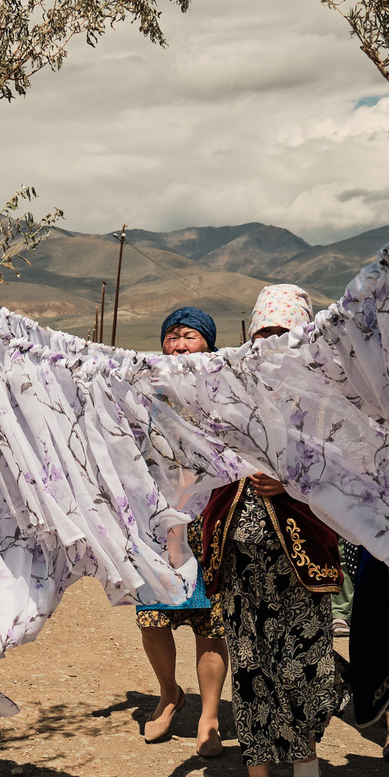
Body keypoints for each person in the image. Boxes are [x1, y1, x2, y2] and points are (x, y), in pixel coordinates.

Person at [202, 284, 344, 777]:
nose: (270, 342)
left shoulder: (326, 399)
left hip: (300, 561)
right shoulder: (228, 394)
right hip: (238, 559)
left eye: (281, 333)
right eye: (263, 332)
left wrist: (289, 483)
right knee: (254, 672)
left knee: (304, 669)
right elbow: (205, 460)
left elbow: (344, 473)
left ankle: (308, 776)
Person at [135, 306, 229, 752]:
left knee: (209, 622)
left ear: (208, 344)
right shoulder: (147, 392)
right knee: (152, 617)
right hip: (154, 521)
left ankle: (210, 715)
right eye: (171, 336)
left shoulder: (224, 392)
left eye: (189, 335)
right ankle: (169, 693)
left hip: (209, 520)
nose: (178, 344)